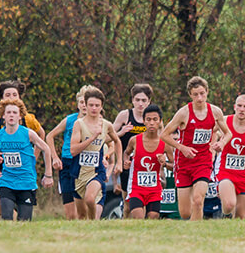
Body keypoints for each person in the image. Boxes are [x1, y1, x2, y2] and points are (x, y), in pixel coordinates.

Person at [160, 76, 231, 221]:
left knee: (198, 200)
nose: (200, 98)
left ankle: (196, 232)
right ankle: (190, 223)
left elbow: (228, 133)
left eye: (202, 93)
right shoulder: (183, 113)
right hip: (184, 163)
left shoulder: (215, 112)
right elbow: (164, 135)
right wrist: (182, 147)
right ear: (190, 95)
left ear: (207, 92)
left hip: (203, 161)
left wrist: (221, 144)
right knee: (185, 212)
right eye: (196, 94)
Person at [0, 80, 46, 216]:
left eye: (15, 95)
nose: (11, 98)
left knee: (13, 206)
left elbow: (41, 134)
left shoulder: (27, 117)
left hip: (20, 168)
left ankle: (15, 222)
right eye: (7, 95)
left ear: (20, 98)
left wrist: (33, 157)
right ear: (1, 98)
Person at [0, 99, 53, 221]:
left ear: (20, 116)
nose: (11, 115)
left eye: (15, 113)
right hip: (7, 181)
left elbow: (46, 149)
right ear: (3, 115)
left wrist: (48, 174)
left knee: (24, 220)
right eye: (8, 112)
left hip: (26, 182)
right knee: (7, 216)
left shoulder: (28, 134)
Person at [70, 88, 123, 220]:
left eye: (97, 105)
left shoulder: (106, 125)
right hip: (79, 172)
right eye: (91, 105)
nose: (94, 108)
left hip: (97, 171)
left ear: (101, 106)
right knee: (81, 214)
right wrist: (92, 138)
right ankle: (87, 227)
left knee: (89, 199)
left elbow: (117, 141)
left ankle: (93, 222)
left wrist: (119, 163)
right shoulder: (79, 124)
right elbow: (73, 150)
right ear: (85, 106)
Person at [46, 86, 90, 220]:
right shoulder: (70, 120)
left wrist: (105, 157)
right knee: (70, 214)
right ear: (78, 104)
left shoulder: (95, 122)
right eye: (81, 102)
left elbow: (108, 142)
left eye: (86, 102)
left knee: (83, 212)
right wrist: (54, 158)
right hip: (66, 163)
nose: (84, 105)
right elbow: (49, 136)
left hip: (84, 164)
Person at [122, 104, 173, 219]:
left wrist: (164, 164)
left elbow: (175, 166)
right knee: (138, 217)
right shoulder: (134, 140)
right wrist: (126, 161)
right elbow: (126, 153)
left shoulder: (165, 144)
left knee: (153, 217)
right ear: (144, 121)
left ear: (160, 121)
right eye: (148, 119)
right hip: (136, 187)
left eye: (155, 119)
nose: (151, 123)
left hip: (154, 189)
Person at [113, 84, 152, 212]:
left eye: (144, 100)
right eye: (137, 100)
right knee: (128, 203)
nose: (140, 104)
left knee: (144, 203)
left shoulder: (153, 118)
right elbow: (108, 136)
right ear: (132, 100)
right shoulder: (125, 115)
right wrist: (121, 132)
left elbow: (161, 140)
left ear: (149, 101)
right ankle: (126, 223)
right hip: (127, 164)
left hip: (146, 166)